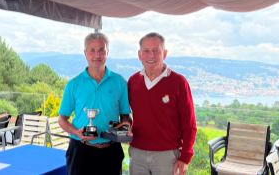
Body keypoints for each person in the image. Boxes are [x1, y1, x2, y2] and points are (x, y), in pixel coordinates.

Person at [58, 32, 131, 175]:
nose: (97, 55)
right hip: (80, 151)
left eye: (101, 50)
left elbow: (125, 115)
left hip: (111, 151)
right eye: (92, 50)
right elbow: (62, 119)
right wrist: (76, 132)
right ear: (85, 53)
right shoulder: (74, 84)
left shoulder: (119, 82)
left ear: (107, 53)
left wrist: (125, 129)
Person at [128, 32, 197, 175]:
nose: (151, 55)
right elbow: (125, 114)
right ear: (139, 55)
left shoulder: (179, 82)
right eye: (146, 51)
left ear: (164, 53)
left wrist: (185, 158)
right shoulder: (133, 81)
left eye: (156, 51)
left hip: (167, 157)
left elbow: (189, 125)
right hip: (137, 154)